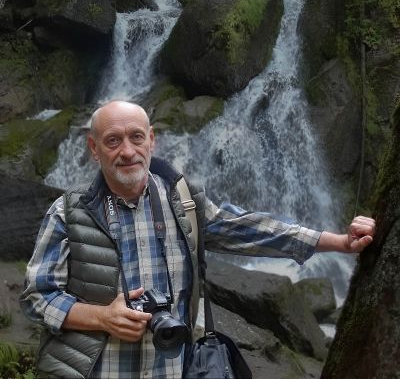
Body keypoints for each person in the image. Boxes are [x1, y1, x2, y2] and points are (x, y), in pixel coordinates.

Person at [20, 100, 376, 379]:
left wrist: (339, 242)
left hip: (174, 369)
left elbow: (248, 229)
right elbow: (37, 296)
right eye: (113, 140)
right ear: (94, 148)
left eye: (136, 137)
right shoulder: (68, 212)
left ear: (151, 140)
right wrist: (101, 317)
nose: (127, 151)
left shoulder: (184, 203)